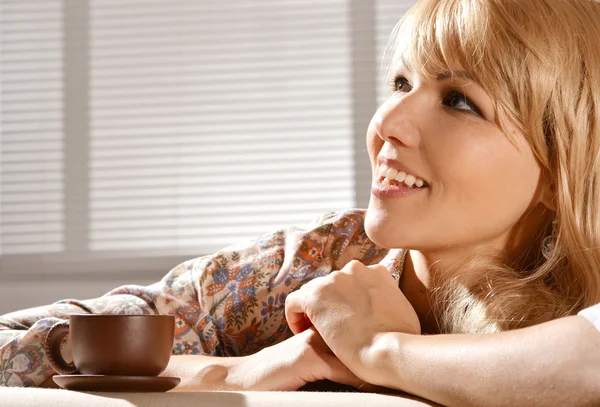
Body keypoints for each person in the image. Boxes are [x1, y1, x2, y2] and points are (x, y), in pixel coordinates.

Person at [1, 0, 600, 405]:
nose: (388, 123)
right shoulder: (308, 264)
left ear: (560, 166)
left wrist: (377, 353)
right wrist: (233, 371)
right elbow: (10, 347)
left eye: (459, 101)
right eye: (400, 84)